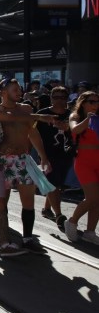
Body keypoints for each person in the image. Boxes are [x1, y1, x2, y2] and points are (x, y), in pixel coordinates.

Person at [0, 78, 52, 251]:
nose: (19, 92)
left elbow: (33, 133)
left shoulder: (27, 109)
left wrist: (43, 157)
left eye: (19, 89)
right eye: (15, 89)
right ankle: (4, 240)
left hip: (23, 159)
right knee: (1, 203)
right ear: (3, 92)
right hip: (2, 161)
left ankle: (28, 237)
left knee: (28, 201)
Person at [64, 91, 99, 243]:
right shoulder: (76, 116)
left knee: (97, 200)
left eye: (97, 102)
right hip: (84, 162)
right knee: (92, 198)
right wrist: (88, 120)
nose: (95, 105)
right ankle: (72, 221)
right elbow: (74, 129)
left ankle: (90, 232)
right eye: (91, 101)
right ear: (83, 102)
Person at [36, 86, 75, 226]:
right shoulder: (43, 114)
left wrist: (68, 128)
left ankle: (47, 209)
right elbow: (33, 134)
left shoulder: (72, 115)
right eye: (55, 97)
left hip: (66, 154)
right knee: (52, 183)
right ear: (51, 98)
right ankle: (59, 215)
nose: (59, 101)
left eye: (62, 97)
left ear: (67, 99)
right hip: (48, 154)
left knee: (58, 184)